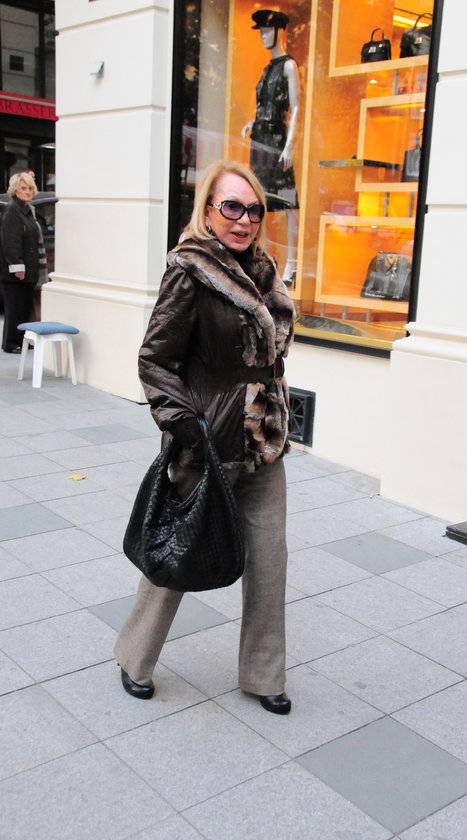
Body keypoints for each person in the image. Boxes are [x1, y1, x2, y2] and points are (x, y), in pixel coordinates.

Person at [115, 160, 296, 715]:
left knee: (269, 563)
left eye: (254, 210)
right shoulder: (190, 271)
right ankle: (135, 657)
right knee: (177, 552)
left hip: (263, 443)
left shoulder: (263, 271)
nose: (243, 220)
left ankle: (264, 675)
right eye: (231, 207)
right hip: (208, 444)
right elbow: (155, 359)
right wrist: (187, 428)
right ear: (209, 211)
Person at [241, 9, 300, 286]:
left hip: (277, 141)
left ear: (280, 31)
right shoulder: (266, 70)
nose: (264, 36)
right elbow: (264, 106)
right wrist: (252, 122)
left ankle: (293, 264)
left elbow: (295, 108)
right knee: (258, 201)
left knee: (288, 201)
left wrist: (289, 145)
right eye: (262, 31)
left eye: (267, 30)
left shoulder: (289, 66)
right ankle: (259, 258)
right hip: (260, 140)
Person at [0, 171, 47, 352]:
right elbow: (11, 242)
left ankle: (21, 341)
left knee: (24, 308)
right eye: (23, 188)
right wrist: (17, 266)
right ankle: (11, 343)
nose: (27, 191)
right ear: (15, 190)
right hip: (15, 273)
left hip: (29, 271)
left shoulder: (28, 210)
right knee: (14, 309)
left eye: (30, 188)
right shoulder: (13, 210)